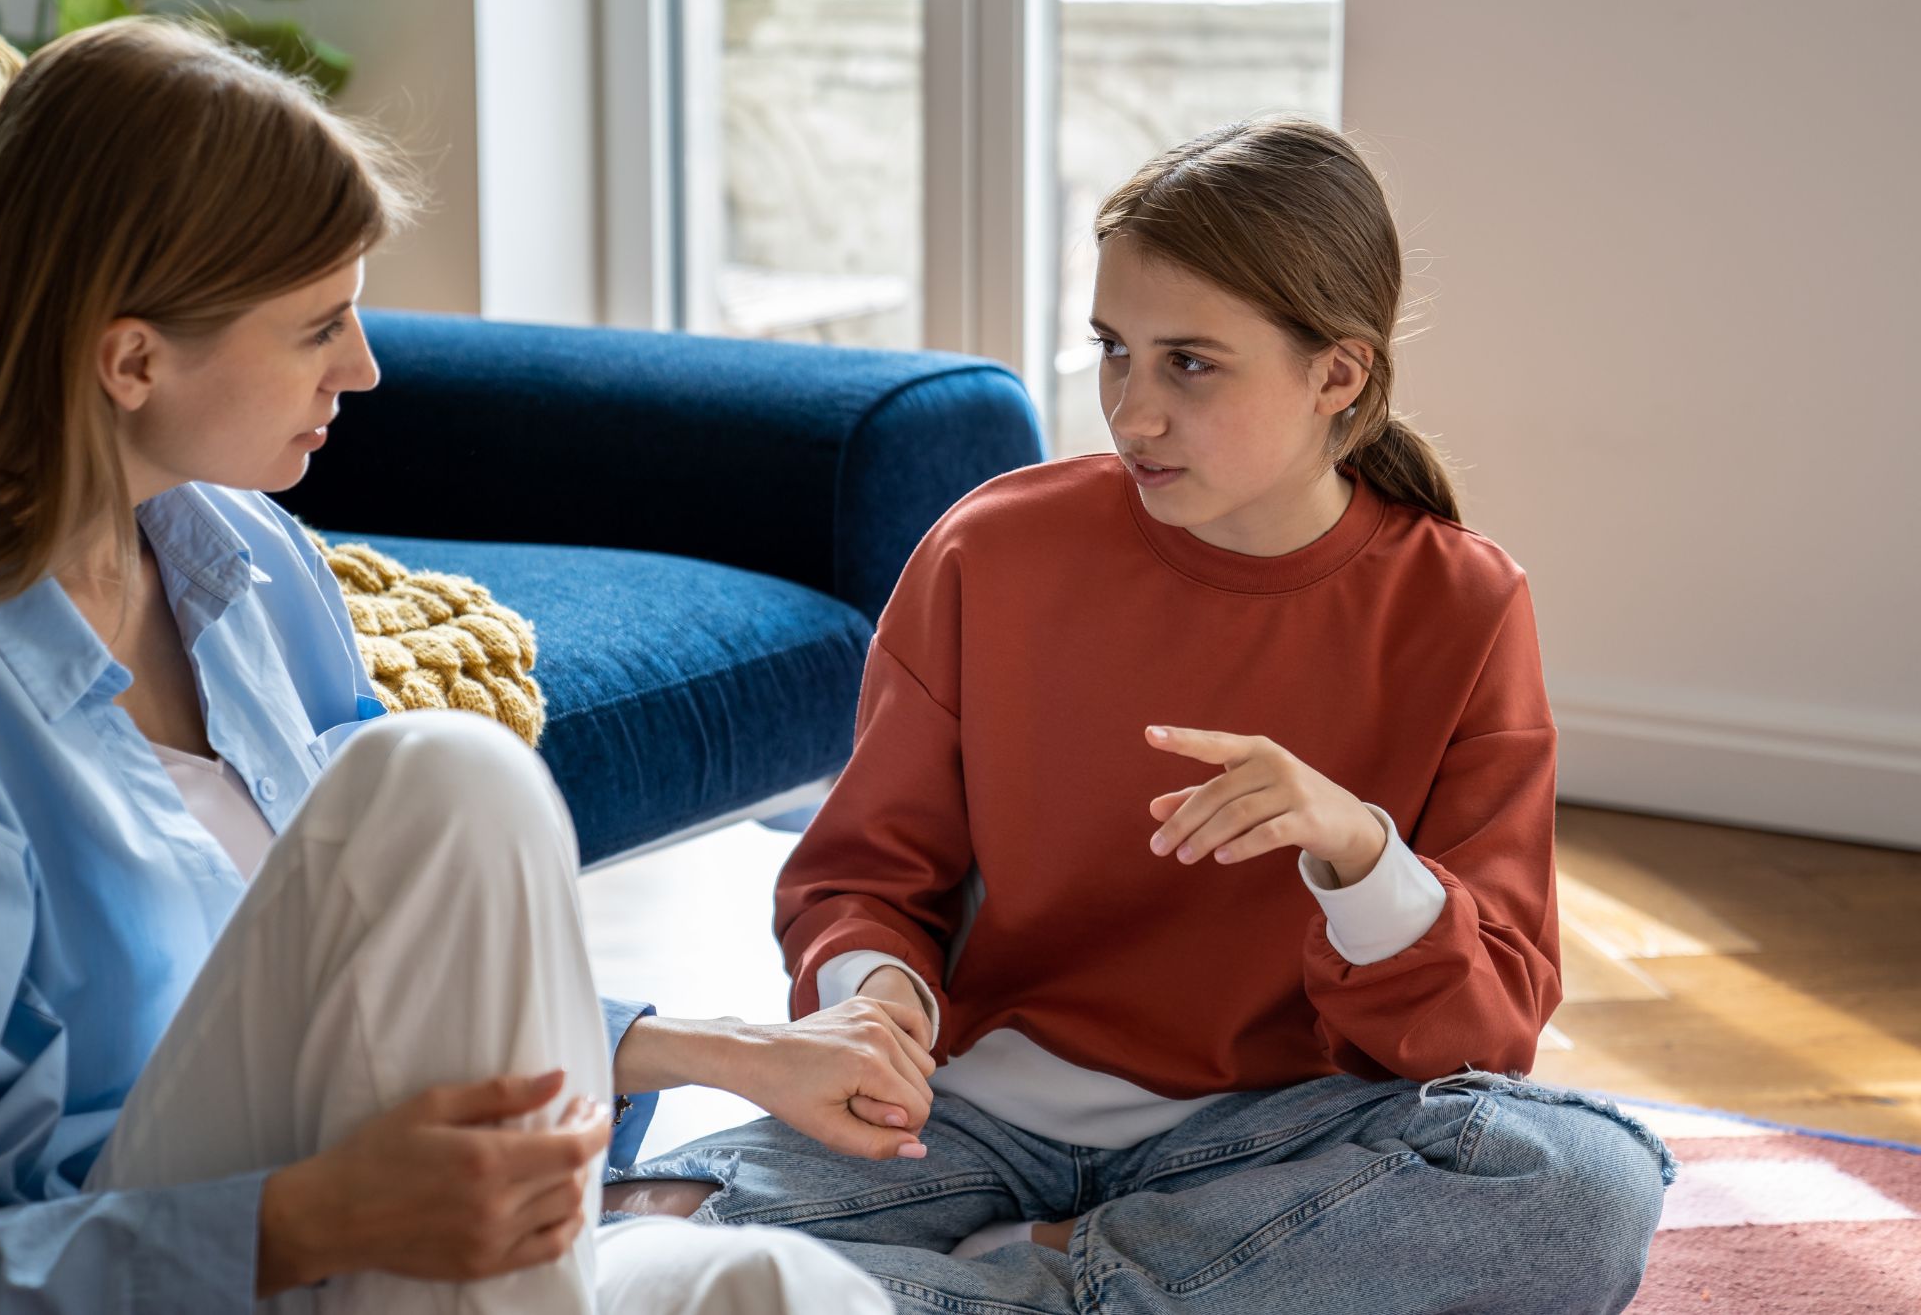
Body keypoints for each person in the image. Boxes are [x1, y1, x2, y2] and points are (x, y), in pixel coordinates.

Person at [0, 16, 926, 1314]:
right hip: (174, 1267)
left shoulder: (250, 569)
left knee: (785, 1287)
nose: (364, 370)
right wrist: (313, 1217)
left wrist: (728, 1053)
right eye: (320, 327)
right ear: (132, 358)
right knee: (444, 776)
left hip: (374, 1248)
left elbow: (411, 972)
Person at [604, 118, 1677, 1314]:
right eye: (1114, 350)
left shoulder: (1463, 604)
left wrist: (1358, 851)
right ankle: (1109, 1289)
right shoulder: (991, 551)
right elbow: (865, 874)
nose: (1133, 410)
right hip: (959, 1118)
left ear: (1337, 373)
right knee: (634, 1234)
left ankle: (1036, 1279)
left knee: (1579, 1179)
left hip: (1274, 1148)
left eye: (1190, 364)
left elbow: (1485, 1038)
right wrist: (877, 1000)